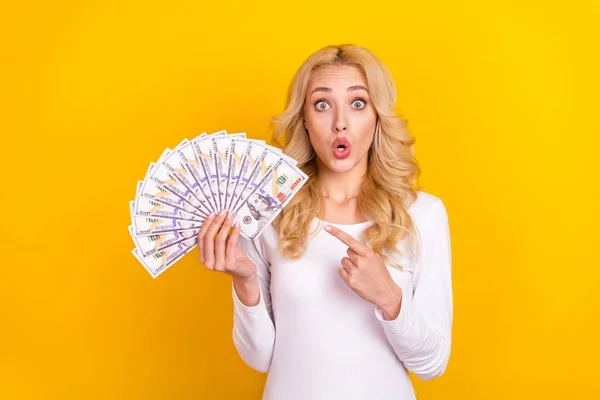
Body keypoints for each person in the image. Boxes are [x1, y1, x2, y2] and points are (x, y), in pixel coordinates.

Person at [196, 44, 453, 400]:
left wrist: (389, 297)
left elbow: (432, 363)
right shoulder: (268, 212)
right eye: (322, 104)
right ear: (303, 118)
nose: (340, 122)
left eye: (358, 103)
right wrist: (245, 282)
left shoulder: (422, 214)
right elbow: (260, 358)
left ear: (378, 116)